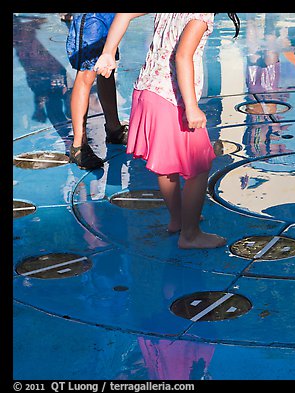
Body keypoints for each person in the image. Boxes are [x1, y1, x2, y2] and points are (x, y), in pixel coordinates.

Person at [95, 13, 240, 249]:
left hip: (146, 92)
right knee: (199, 167)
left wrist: (109, 52)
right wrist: (192, 108)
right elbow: (183, 56)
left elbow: (124, 14)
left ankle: (177, 220)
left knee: (167, 166)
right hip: (172, 99)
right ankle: (190, 234)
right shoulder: (201, 16)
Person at [66, 13, 129, 169]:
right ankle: (79, 145)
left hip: (109, 16)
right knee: (87, 72)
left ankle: (114, 128)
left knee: (107, 67)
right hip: (92, 18)